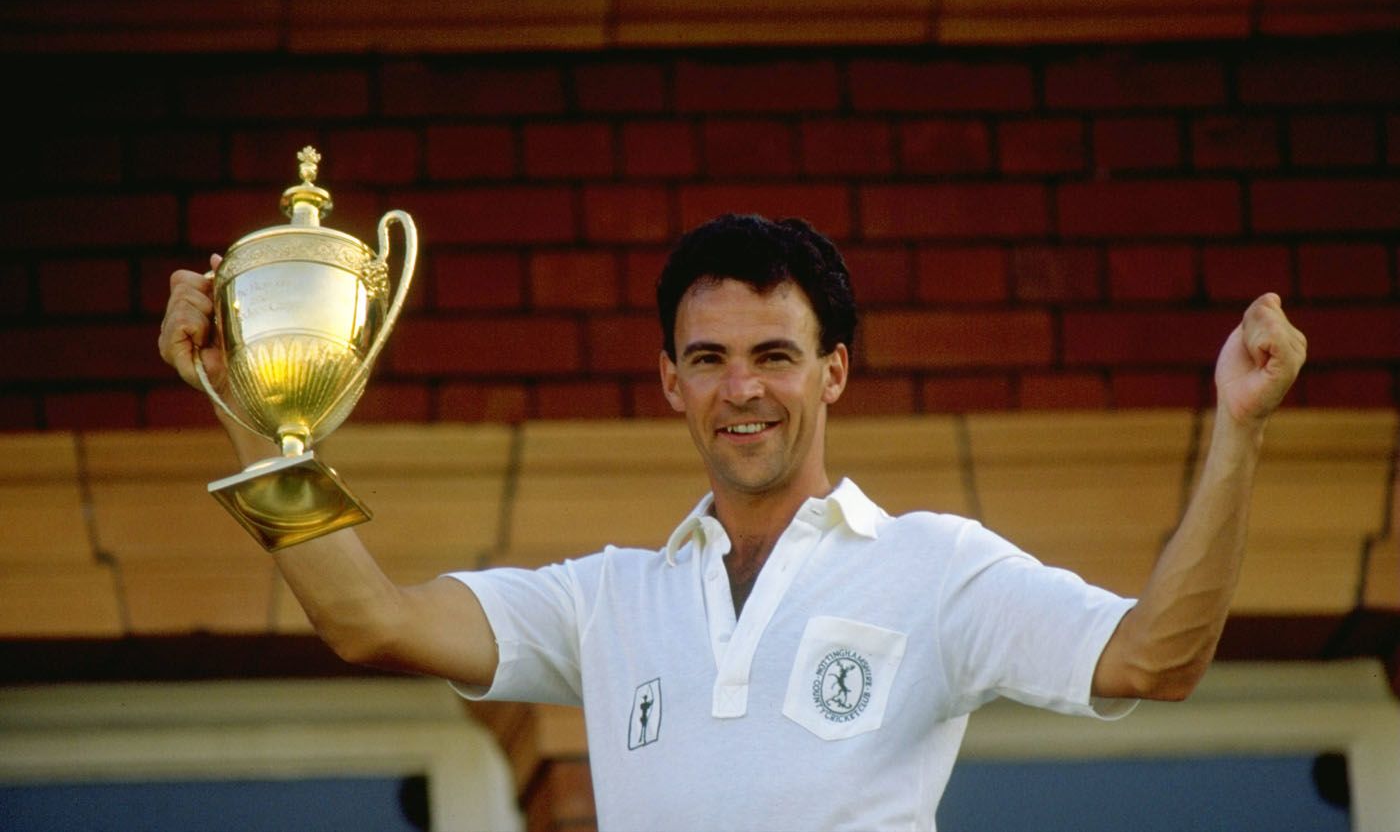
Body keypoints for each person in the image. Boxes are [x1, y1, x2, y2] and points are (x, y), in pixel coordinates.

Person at [159, 213, 1307, 831]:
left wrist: (1236, 429)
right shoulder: (607, 599)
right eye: (707, 360)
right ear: (668, 382)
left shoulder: (935, 568)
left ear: (834, 374)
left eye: (774, 357)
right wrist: (251, 416)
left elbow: (1157, 658)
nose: (740, 390)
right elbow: (369, 621)